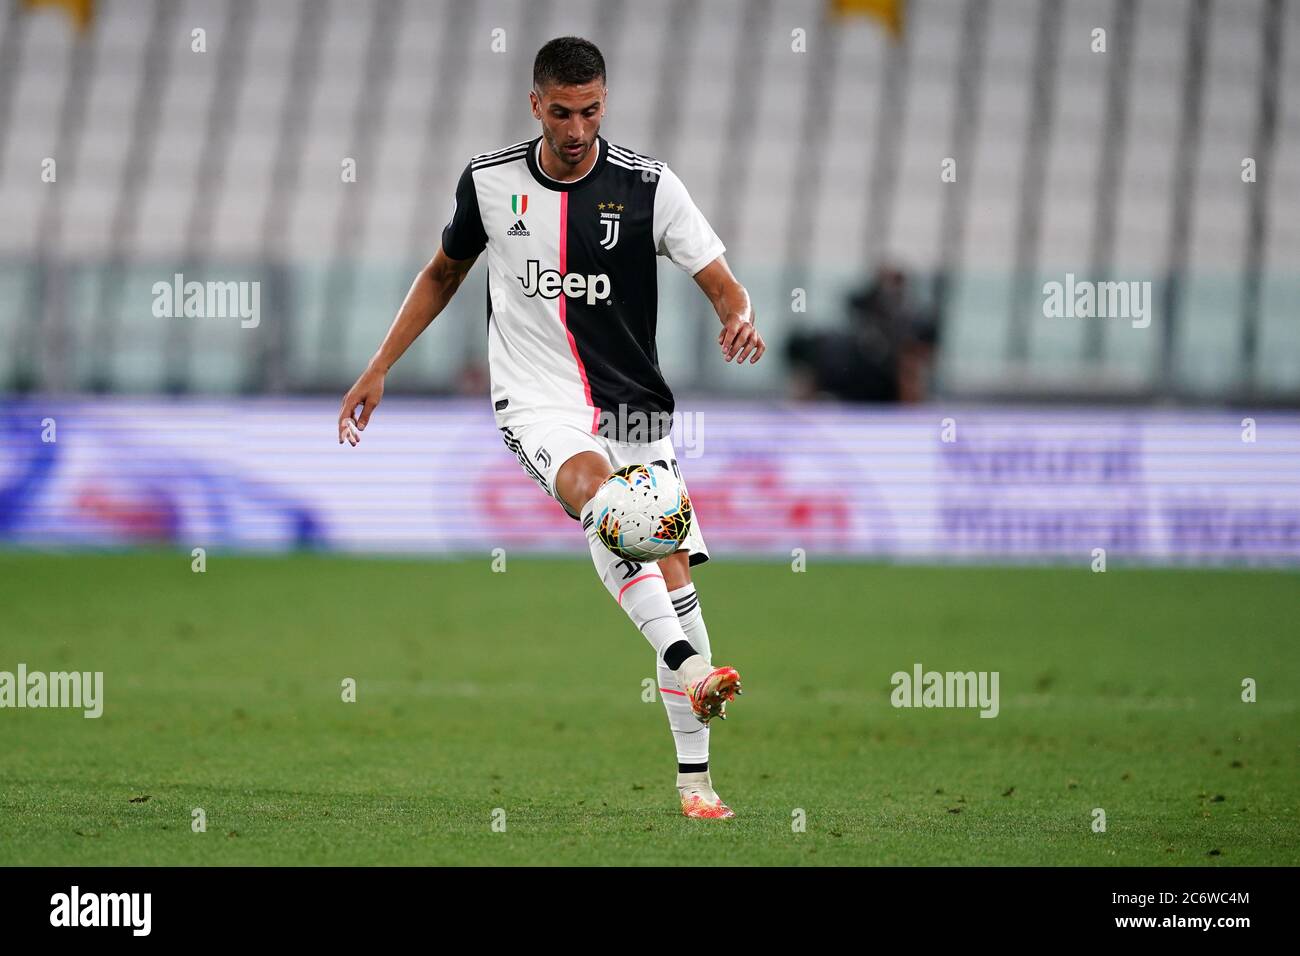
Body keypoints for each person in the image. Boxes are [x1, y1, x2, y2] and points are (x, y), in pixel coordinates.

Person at [337, 37, 765, 819]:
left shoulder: (649, 186)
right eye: (563, 112)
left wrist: (738, 318)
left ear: (606, 103)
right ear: (536, 104)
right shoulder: (491, 183)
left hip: (633, 406)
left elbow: (720, 280)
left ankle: (697, 784)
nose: (577, 128)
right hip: (536, 398)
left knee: (679, 588)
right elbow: (442, 274)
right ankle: (677, 659)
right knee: (598, 497)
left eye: (591, 110)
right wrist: (379, 366)